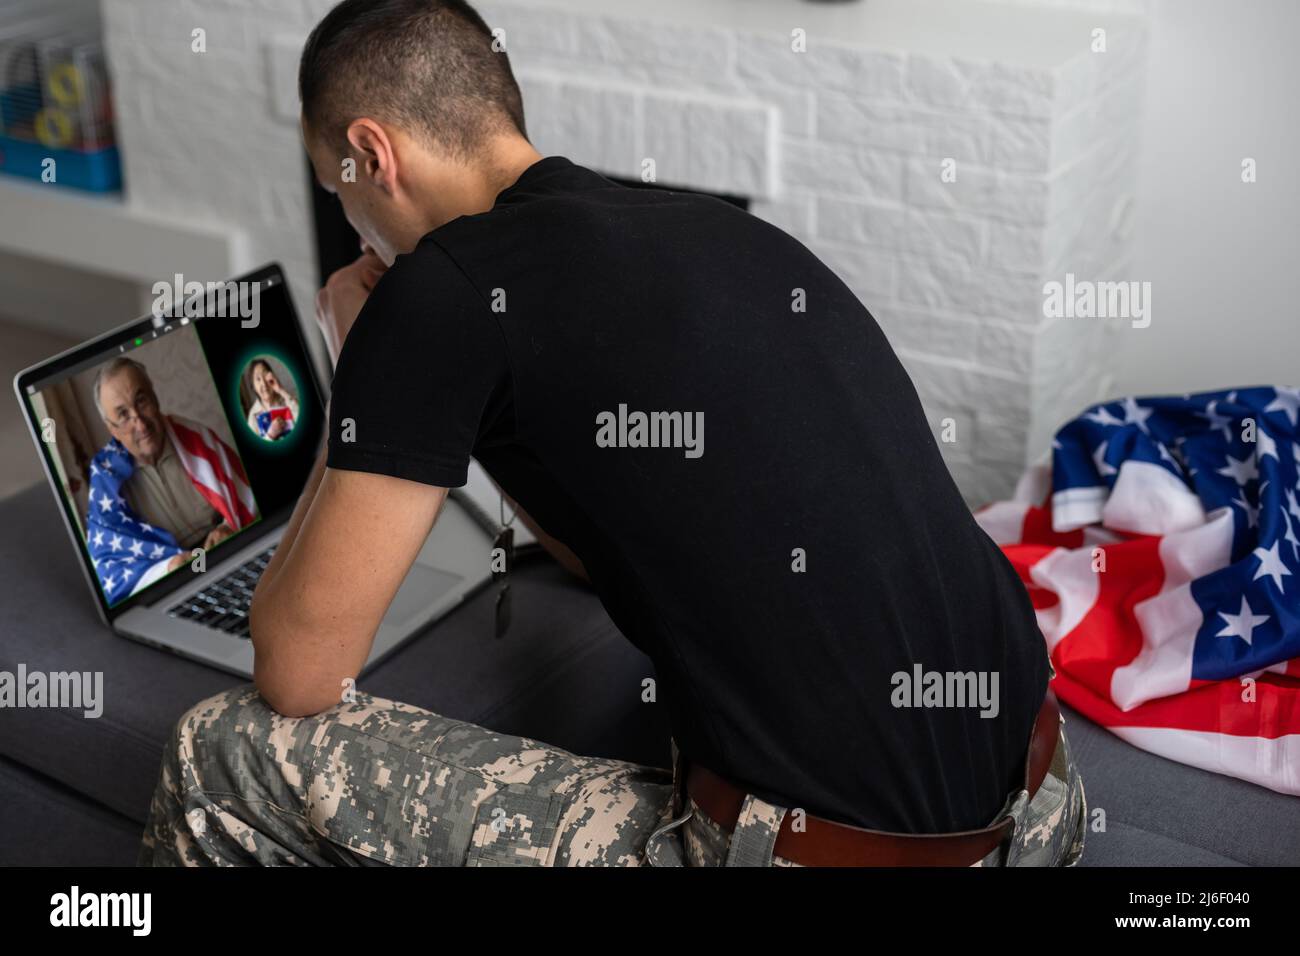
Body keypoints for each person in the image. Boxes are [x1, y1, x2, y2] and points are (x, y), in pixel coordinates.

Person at [138, 0, 1085, 867]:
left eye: (334, 188)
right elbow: (598, 543)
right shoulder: (705, 231)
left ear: (372, 153)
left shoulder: (437, 291)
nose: (351, 228)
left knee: (219, 748)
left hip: (818, 858)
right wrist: (435, 413)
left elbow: (299, 674)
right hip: (1041, 806)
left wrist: (363, 390)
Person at [86, 357, 257, 604]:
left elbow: (248, 497)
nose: (140, 423)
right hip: (169, 584)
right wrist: (168, 567)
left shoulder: (198, 439)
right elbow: (114, 569)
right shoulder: (106, 483)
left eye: (141, 401)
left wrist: (226, 526)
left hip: (225, 556)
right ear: (111, 428)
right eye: (123, 415)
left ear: (155, 397)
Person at [243, 358, 300, 441]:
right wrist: (270, 435)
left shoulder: (286, 400)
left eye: (265, 375)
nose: (263, 383)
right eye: (258, 379)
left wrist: (281, 390)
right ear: (253, 387)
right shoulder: (253, 416)